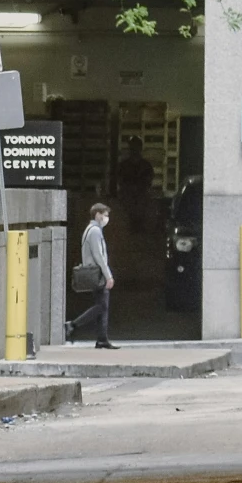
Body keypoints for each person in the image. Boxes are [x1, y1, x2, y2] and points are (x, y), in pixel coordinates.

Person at [68, 201, 117, 348]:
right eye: (105, 215)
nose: (106, 219)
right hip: (98, 273)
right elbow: (99, 255)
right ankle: (73, 324)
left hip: (96, 273)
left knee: (102, 306)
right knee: (101, 306)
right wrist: (108, 275)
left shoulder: (91, 229)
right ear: (97, 215)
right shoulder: (95, 231)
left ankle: (102, 339)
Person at [114, 135, 157, 234]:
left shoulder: (146, 166)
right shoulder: (124, 166)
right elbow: (120, 181)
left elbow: (148, 182)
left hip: (141, 201)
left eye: (136, 147)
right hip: (127, 201)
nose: (134, 149)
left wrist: (138, 189)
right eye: (132, 147)